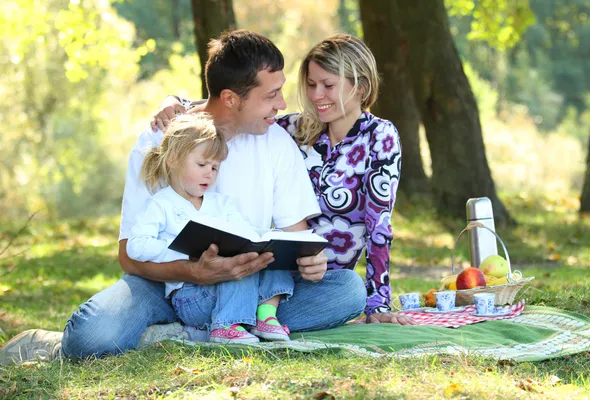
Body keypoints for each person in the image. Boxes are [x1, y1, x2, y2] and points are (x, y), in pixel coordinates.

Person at [0, 30, 366, 365]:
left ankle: (179, 336)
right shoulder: (160, 142)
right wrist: (193, 272)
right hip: (165, 286)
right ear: (230, 98)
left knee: (347, 290)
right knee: (91, 337)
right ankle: (211, 331)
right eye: (271, 95)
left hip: (245, 285)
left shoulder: (276, 142)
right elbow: (129, 254)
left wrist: (309, 261)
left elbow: (295, 237)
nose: (282, 103)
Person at [152, 34, 415, 325]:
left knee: (351, 291)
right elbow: (238, 106)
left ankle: (233, 322)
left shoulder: (380, 137)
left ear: (362, 87)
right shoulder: (296, 127)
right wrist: (177, 102)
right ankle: (251, 319)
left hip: (322, 281)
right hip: (270, 271)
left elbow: (379, 227)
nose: (316, 95)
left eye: (328, 85)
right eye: (311, 84)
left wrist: (377, 304)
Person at [127, 112, 293, 343]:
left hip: (225, 289)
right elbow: (136, 247)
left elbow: (245, 232)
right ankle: (225, 326)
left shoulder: (221, 203)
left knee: (270, 258)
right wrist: (185, 251)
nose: (209, 173)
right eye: (202, 164)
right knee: (236, 270)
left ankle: (266, 316)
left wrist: (265, 240)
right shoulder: (161, 204)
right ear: (173, 160)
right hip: (191, 295)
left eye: (215, 168)